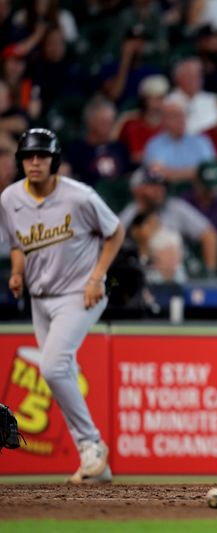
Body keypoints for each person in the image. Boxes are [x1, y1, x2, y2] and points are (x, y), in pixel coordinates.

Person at [0, 128, 124, 483]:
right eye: (28, 156)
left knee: (53, 367)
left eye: (42, 156)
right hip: (40, 298)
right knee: (61, 371)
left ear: (54, 161)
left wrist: (97, 277)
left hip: (79, 292)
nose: (35, 162)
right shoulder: (10, 198)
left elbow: (115, 231)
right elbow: (17, 242)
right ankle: (93, 459)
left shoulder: (79, 196)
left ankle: (90, 445)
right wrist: (17, 272)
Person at [118, 167, 217, 275]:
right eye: (153, 185)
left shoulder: (176, 208)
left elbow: (209, 235)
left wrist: (210, 272)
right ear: (137, 189)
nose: (159, 189)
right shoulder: (129, 214)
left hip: (181, 271)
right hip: (144, 271)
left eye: (162, 185)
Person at [142, 95, 216, 184]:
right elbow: (156, 174)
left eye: (182, 115)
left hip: (199, 191)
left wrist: (171, 173)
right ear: (163, 121)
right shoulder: (154, 145)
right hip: (168, 192)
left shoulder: (201, 141)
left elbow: (209, 170)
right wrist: (194, 172)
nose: (180, 120)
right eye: (174, 116)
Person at [65, 98, 131, 186]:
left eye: (111, 122)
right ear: (90, 122)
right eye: (104, 122)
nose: (109, 127)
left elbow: (127, 176)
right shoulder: (77, 149)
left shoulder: (120, 147)